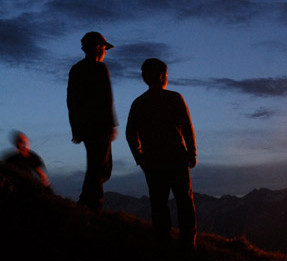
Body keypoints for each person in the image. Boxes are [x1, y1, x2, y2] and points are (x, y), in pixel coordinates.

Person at [126, 58, 197, 248]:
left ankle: (163, 242)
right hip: (176, 158)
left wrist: (140, 158)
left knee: (159, 204)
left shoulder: (138, 103)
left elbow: (130, 134)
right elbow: (188, 129)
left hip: (152, 162)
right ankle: (188, 243)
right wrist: (192, 154)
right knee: (184, 201)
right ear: (161, 76)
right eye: (166, 75)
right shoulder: (174, 98)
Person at [66, 31, 118, 210]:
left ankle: (88, 200)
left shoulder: (76, 69)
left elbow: (71, 102)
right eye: (104, 48)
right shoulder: (99, 68)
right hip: (100, 126)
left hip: (85, 126)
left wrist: (75, 128)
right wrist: (111, 124)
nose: (105, 52)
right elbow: (106, 98)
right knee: (101, 166)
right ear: (98, 48)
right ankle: (91, 203)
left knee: (96, 164)